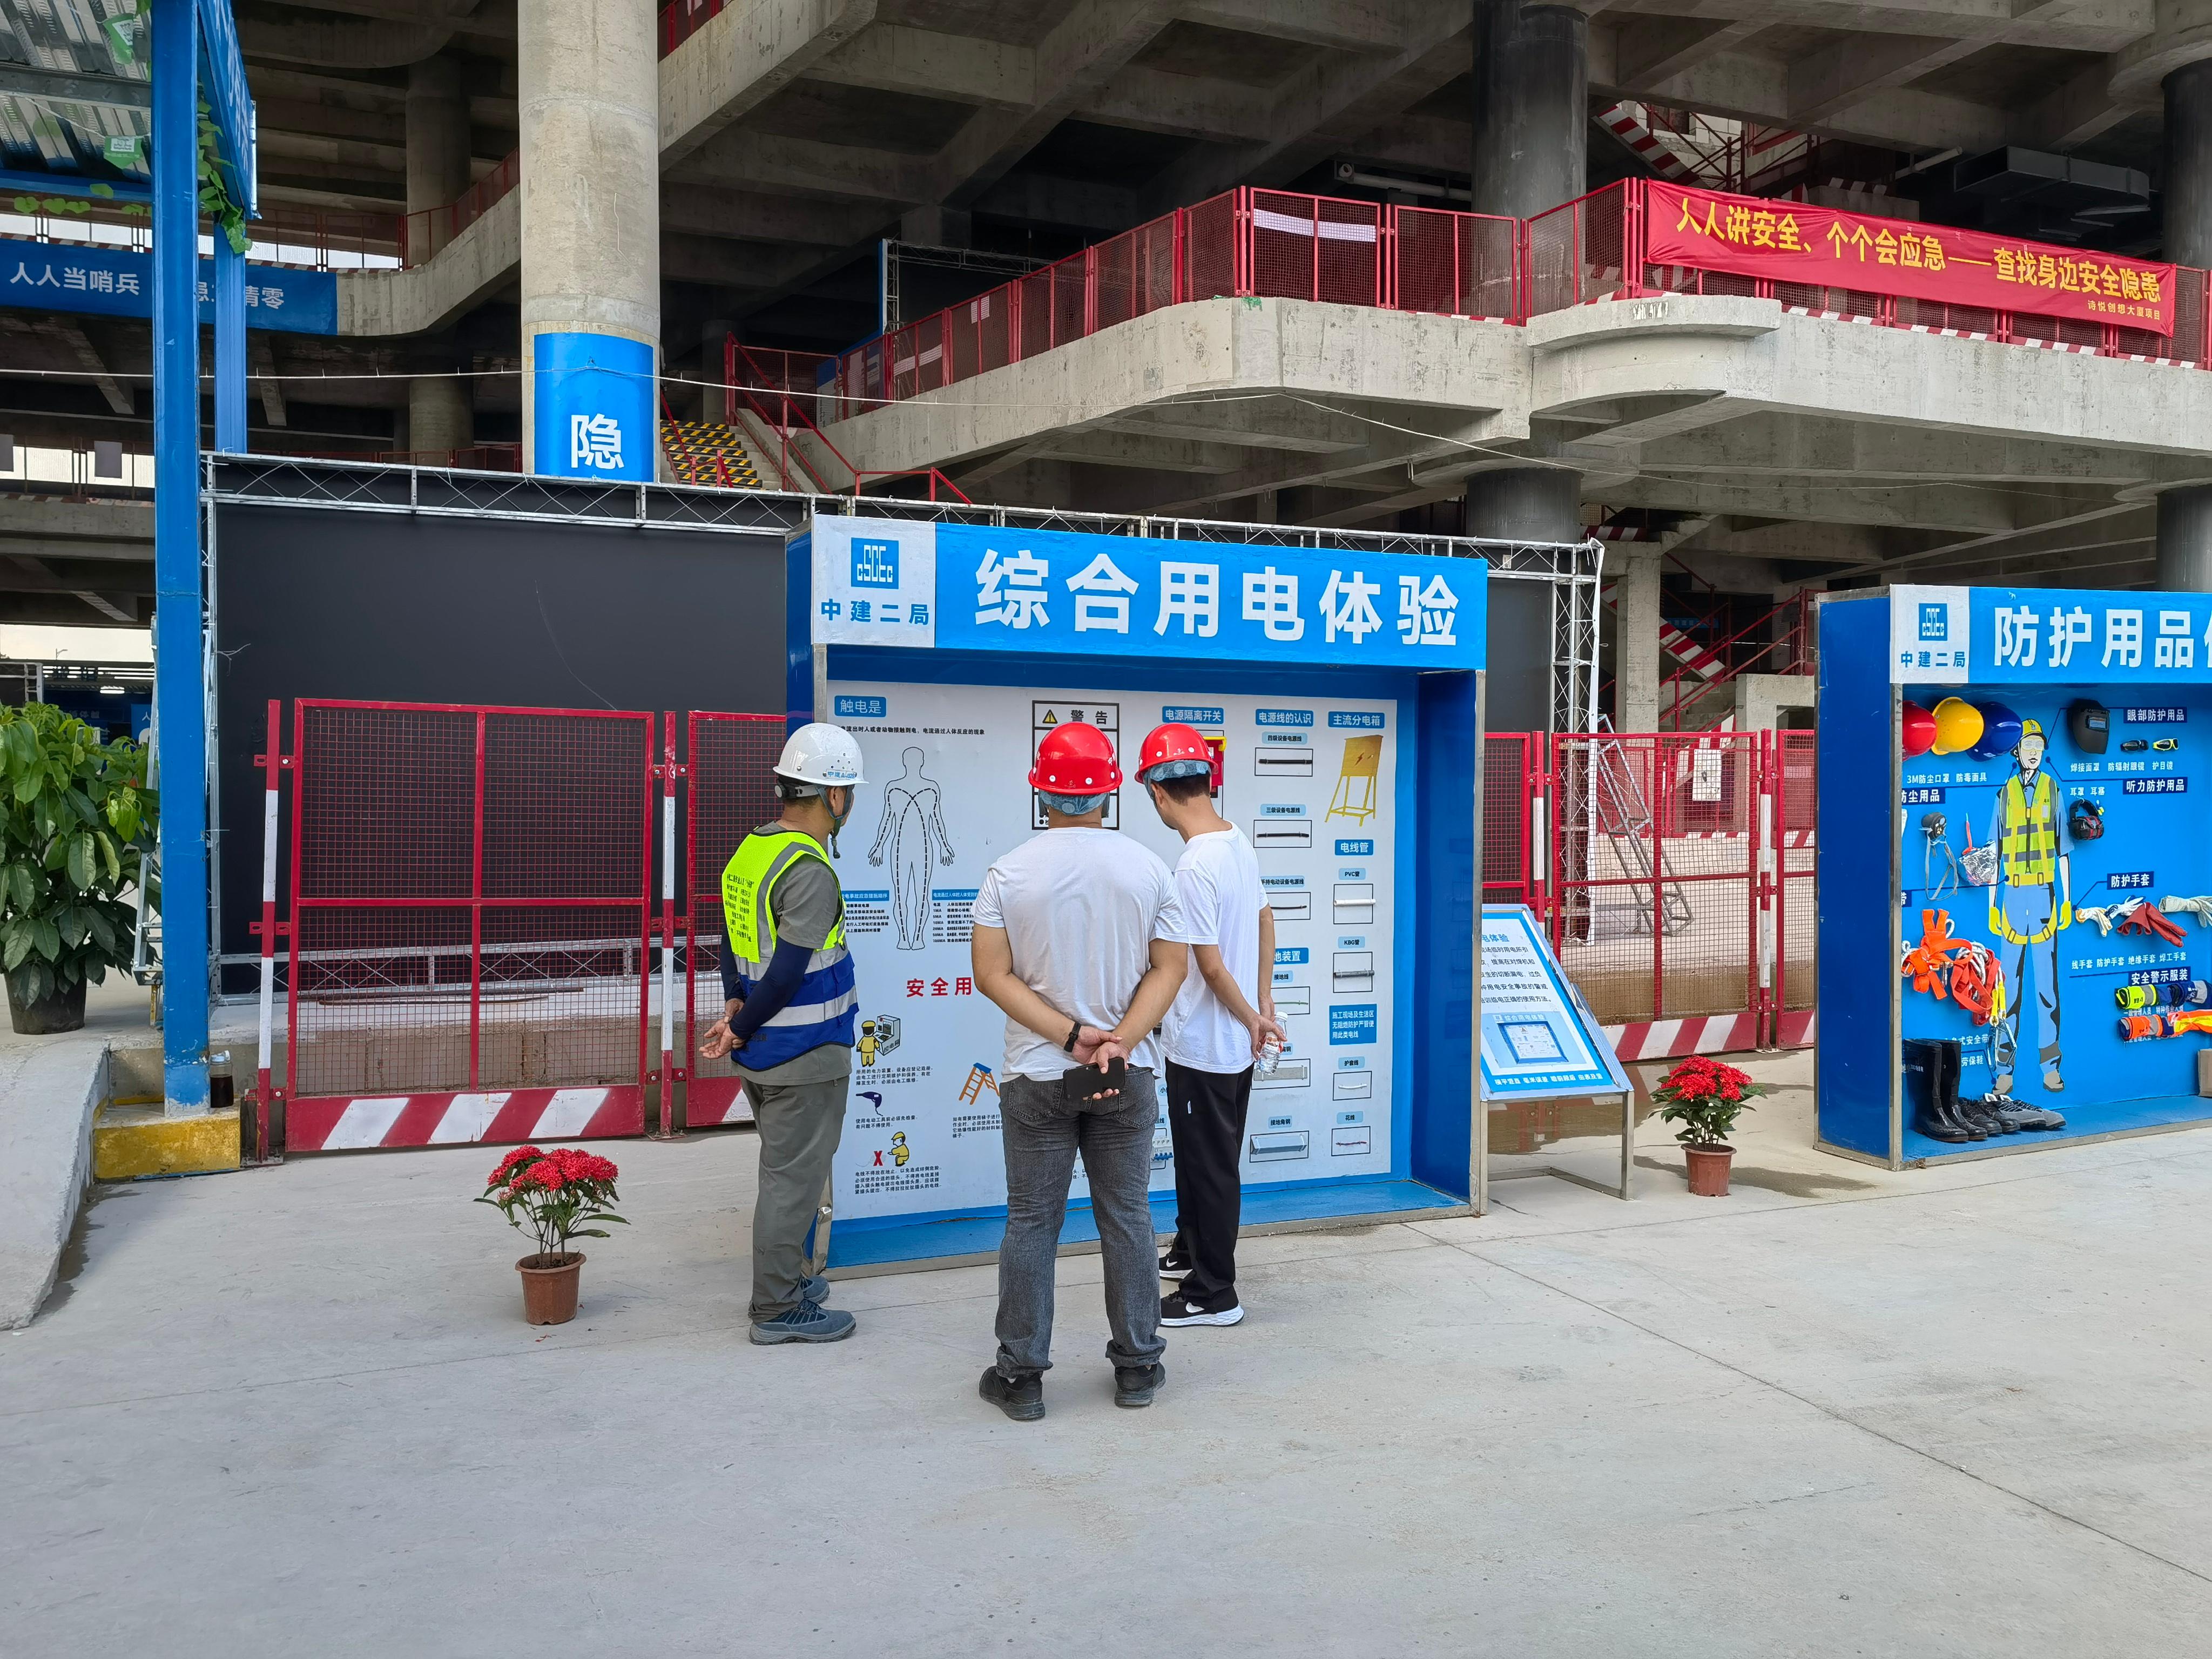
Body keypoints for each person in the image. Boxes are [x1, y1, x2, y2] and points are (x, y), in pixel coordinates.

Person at [969, 720, 1191, 1421]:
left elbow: (991, 974)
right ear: (1110, 791)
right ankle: (1138, 1367)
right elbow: (1171, 967)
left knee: (1032, 1222)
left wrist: (1070, 1036)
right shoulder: (1149, 869)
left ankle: (1021, 1377)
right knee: (1126, 1216)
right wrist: (1119, 1040)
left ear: (1040, 790)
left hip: (1037, 1076)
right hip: (1127, 1073)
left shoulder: (1008, 872)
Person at [699, 723, 866, 1345]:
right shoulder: (809, 868)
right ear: (834, 796)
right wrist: (738, 1025)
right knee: (792, 1181)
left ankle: (792, 1279)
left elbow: (732, 941)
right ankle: (775, 1308)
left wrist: (735, 1011)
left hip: (765, 1052)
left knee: (786, 1173)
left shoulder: (753, 851)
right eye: (849, 791)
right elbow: (789, 969)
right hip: (804, 1052)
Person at [1137, 723, 1284, 1329]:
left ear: (1158, 794)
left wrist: (1252, 1015)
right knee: (1201, 1159)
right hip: (1229, 1043)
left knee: (1210, 1167)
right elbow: (1266, 918)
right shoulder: (1235, 840)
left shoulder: (1195, 864)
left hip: (1207, 1045)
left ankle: (1213, 1292)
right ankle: (1189, 1250)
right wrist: (1263, 1003)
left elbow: (1210, 965)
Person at [1986, 717, 2070, 1094]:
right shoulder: (2004, 795)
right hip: (2013, 896)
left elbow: (2063, 851)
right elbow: (1993, 855)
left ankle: (2050, 1067)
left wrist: (2065, 902)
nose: (2033, 753)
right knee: (2008, 989)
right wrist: (1992, 905)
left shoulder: (2053, 790)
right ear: (2016, 752)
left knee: (2046, 989)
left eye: (2038, 746)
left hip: (2043, 896)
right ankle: (2005, 1070)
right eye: (2027, 747)